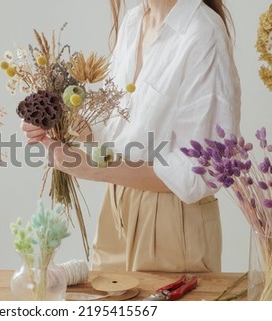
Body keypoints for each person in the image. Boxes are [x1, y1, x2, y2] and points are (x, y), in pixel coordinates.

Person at [21, 0, 241, 272]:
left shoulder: (203, 32)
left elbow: (199, 171)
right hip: (115, 209)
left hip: (172, 220)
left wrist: (92, 169)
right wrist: (57, 122)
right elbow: (117, 134)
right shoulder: (134, 22)